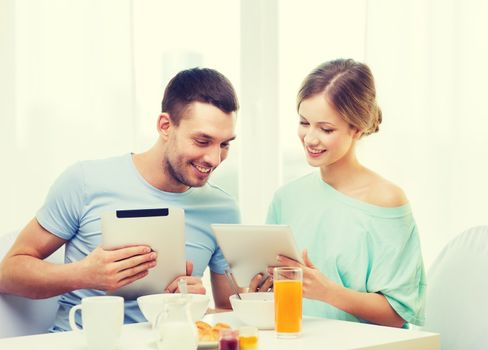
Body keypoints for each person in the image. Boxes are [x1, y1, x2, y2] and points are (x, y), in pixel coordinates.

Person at [0, 67, 240, 331]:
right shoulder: (85, 181)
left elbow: (227, 314)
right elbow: (8, 273)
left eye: (224, 144)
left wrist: (197, 307)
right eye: (202, 140)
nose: (214, 159)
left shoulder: (223, 209)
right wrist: (84, 274)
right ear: (165, 126)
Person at [265, 59, 426, 327]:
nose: (310, 138)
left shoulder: (387, 201)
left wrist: (328, 292)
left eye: (326, 129)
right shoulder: (286, 198)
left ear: (357, 128)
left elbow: (398, 315)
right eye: (304, 123)